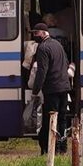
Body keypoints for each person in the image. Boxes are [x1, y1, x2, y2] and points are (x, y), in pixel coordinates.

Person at [28, 20, 71, 154]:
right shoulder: (58, 45)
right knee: (62, 119)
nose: (34, 35)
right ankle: (62, 147)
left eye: (36, 33)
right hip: (64, 87)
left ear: (43, 33)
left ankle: (48, 148)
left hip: (52, 89)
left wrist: (35, 90)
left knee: (50, 119)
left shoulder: (43, 48)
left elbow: (42, 71)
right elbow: (67, 63)